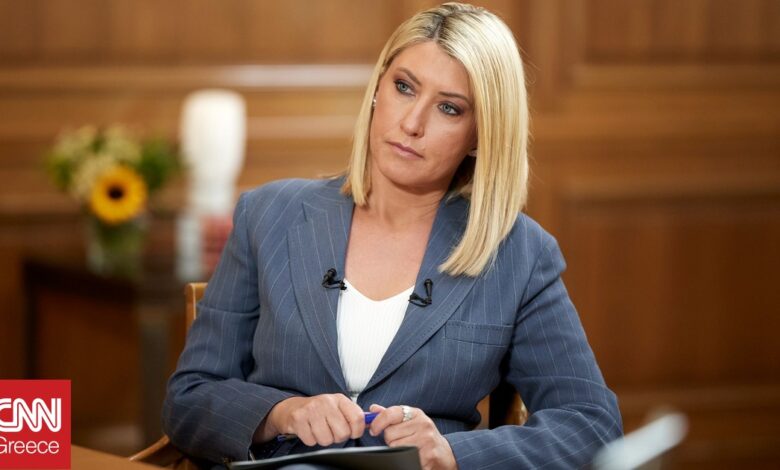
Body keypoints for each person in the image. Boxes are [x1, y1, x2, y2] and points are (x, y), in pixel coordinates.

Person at [162, 3, 622, 469]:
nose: (412, 124)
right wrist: (282, 413)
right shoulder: (268, 215)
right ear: (378, 89)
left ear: (481, 134)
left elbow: (592, 425)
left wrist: (451, 454)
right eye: (404, 87)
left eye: (449, 108)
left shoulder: (518, 253)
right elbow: (190, 397)